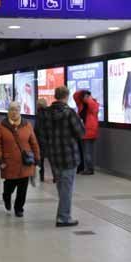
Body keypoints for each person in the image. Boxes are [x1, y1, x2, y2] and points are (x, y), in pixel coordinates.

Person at [40, 86, 84, 227]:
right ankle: (63, 217)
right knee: (67, 188)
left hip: (54, 155)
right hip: (69, 155)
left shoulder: (46, 113)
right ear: (66, 96)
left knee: (61, 186)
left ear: (55, 95)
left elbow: (42, 134)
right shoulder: (70, 113)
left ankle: (64, 213)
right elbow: (80, 132)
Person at [0, 101, 40, 218]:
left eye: (16, 110)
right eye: (11, 110)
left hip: (25, 162)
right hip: (8, 163)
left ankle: (19, 208)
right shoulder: (1, 126)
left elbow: (34, 143)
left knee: (23, 188)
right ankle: (6, 197)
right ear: (8, 111)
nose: (14, 112)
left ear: (20, 111)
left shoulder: (27, 125)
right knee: (9, 185)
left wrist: (37, 158)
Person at [73, 89, 100, 175]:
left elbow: (94, 108)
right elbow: (75, 96)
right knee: (85, 152)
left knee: (88, 152)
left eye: (87, 96)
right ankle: (87, 168)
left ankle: (89, 169)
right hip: (82, 131)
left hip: (89, 132)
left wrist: (89, 99)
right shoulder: (81, 105)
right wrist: (83, 92)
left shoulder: (93, 104)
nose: (85, 98)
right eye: (84, 96)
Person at [34, 97, 51, 183]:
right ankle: (56, 177)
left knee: (40, 159)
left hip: (40, 139)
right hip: (49, 139)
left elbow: (37, 128)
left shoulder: (39, 115)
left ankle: (41, 176)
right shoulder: (50, 113)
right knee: (51, 159)